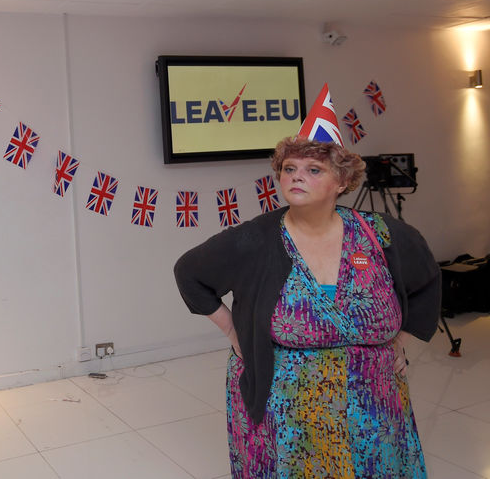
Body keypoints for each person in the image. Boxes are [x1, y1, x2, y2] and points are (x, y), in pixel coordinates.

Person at [173, 85, 441, 478]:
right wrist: (234, 331)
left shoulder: (381, 235)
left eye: (313, 170)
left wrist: (403, 340)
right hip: (286, 413)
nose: (296, 178)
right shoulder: (256, 238)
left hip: (373, 408)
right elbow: (189, 272)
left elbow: (427, 281)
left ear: (342, 181)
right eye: (289, 169)